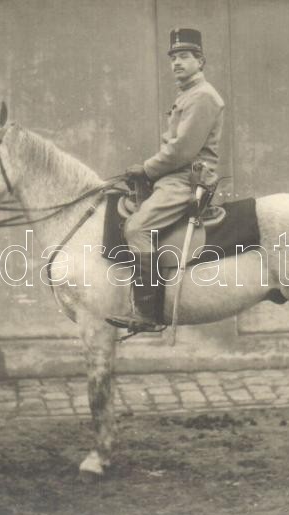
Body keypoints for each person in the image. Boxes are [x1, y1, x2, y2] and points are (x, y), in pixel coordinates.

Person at [106, 28, 225, 333]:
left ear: (200, 61)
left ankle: (146, 312)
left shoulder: (203, 96)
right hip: (172, 176)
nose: (176, 63)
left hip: (185, 179)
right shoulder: (188, 94)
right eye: (173, 58)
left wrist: (146, 169)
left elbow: (182, 150)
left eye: (184, 56)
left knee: (137, 228)